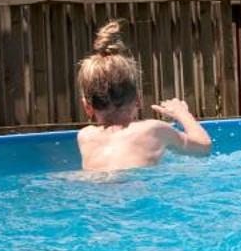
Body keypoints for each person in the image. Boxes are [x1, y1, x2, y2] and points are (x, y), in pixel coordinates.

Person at [75, 20, 212, 172]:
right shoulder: (154, 129)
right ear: (138, 100)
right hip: (133, 188)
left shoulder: (85, 136)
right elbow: (203, 147)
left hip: (93, 188)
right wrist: (182, 114)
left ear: (87, 107)